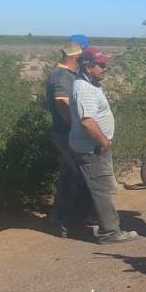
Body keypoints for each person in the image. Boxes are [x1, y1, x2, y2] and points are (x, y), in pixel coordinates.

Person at [65, 47, 138, 244]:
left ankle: (74, 226)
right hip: (93, 148)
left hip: (88, 146)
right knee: (102, 190)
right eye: (101, 64)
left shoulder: (89, 84)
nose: (105, 68)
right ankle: (110, 232)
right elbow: (87, 121)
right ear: (88, 66)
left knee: (87, 188)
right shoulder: (85, 88)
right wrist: (104, 142)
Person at [45, 38, 85, 225]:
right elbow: (62, 104)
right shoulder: (62, 76)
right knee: (74, 174)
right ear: (76, 55)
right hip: (66, 131)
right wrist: (76, 126)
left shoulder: (64, 73)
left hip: (65, 131)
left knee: (69, 172)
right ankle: (64, 215)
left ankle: (63, 213)